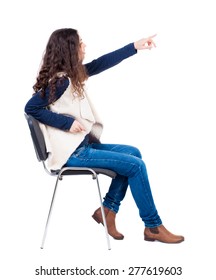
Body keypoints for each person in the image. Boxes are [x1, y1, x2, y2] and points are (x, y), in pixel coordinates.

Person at [25, 28, 184, 243]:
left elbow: (101, 63)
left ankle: (107, 211)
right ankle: (153, 226)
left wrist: (134, 47)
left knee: (134, 154)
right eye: (81, 43)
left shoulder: (70, 76)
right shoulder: (60, 81)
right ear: (71, 49)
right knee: (136, 166)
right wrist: (67, 123)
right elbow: (31, 107)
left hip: (81, 147)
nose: (84, 46)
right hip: (72, 154)